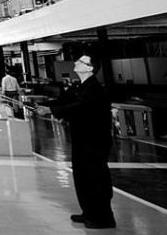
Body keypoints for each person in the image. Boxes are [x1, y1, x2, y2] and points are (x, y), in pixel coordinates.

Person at [37, 56, 115, 229]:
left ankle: (103, 218)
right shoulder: (79, 87)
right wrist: (45, 106)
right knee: (82, 176)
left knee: (95, 177)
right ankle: (88, 212)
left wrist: (51, 110)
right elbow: (65, 102)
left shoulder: (95, 89)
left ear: (89, 68)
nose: (76, 63)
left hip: (95, 140)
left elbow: (80, 107)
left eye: (81, 62)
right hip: (81, 138)